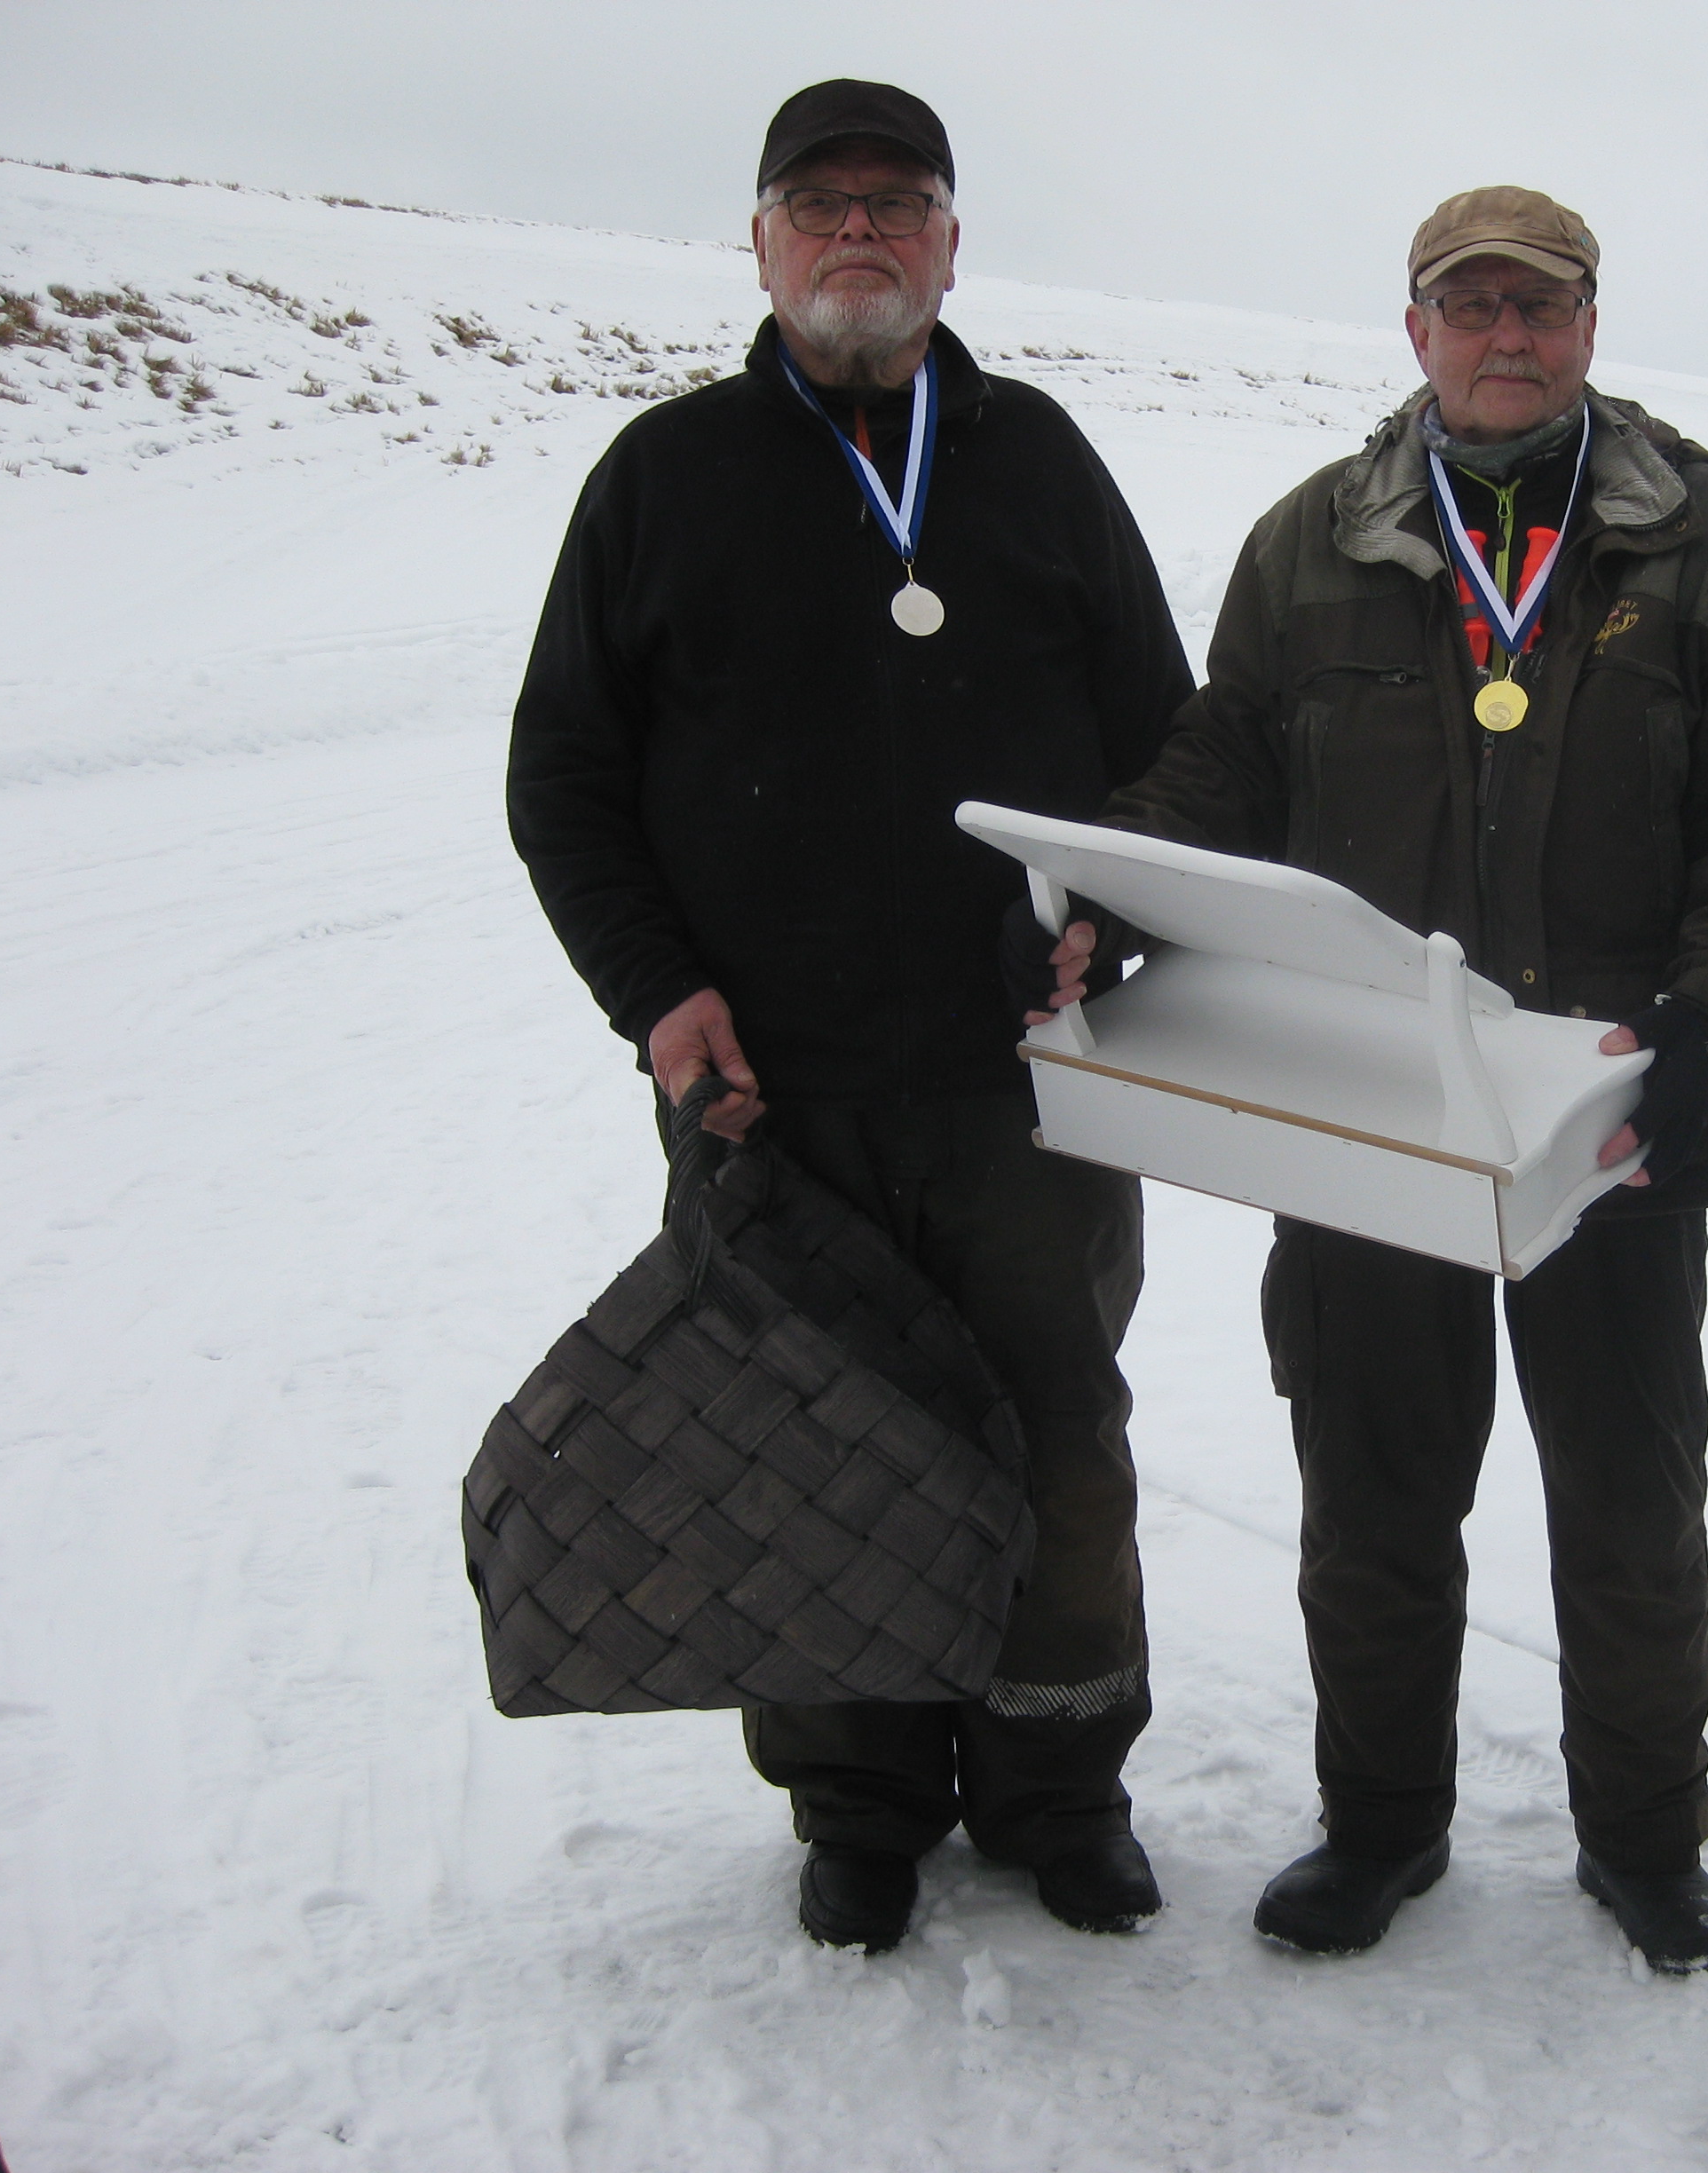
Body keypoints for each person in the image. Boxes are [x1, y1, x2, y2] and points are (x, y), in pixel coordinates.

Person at [1067, 186, 1708, 1972]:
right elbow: (1218, 773)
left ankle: (1644, 1838)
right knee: (1378, 1491)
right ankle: (1382, 1826)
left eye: (1537, 308)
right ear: (1415, 332)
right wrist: (1108, 893)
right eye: (1468, 307)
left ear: (1584, 325)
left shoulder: (1695, 539)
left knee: (1631, 1501)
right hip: (1373, 1107)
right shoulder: (1310, 544)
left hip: (1605, 1109)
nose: (1505, 337)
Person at [506, 80, 1195, 1956]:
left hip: (1025, 1094)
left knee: (1056, 1431)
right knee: (803, 1432)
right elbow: (563, 778)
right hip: (764, 1098)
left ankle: (1058, 1783)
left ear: (952, 243)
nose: (860, 233)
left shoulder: (1040, 461)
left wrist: (1103, 923)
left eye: (899, 203)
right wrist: (660, 996)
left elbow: (1168, 745)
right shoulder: (665, 479)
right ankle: (860, 1797)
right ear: (760, 241)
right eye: (821, 205)